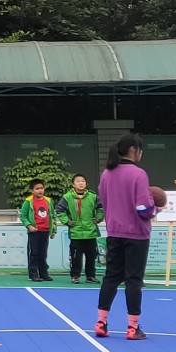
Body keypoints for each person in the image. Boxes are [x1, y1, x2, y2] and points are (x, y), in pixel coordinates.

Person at [95, 135, 160, 339]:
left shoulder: (106, 173)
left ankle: (101, 322)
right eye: (141, 150)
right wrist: (157, 208)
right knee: (133, 280)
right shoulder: (138, 174)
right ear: (133, 150)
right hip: (137, 235)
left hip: (114, 232)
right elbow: (143, 208)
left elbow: (103, 202)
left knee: (111, 277)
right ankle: (132, 327)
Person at [56, 174, 102, 284]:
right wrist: (67, 221)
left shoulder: (93, 196)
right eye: (78, 181)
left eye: (83, 181)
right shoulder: (67, 197)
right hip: (75, 232)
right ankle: (75, 276)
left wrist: (98, 218)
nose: (81, 183)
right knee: (75, 256)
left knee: (91, 256)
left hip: (90, 232)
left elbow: (101, 207)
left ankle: (90, 276)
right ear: (73, 184)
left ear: (86, 183)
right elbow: (60, 210)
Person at [19, 179, 55, 283]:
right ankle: (33, 274)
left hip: (45, 231)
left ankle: (43, 273)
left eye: (41, 188)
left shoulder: (48, 201)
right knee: (34, 253)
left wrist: (53, 230)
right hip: (34, 232)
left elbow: (52, 215)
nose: (40, 190)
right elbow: (23, 216)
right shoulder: (28, 201)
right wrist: (29, 226)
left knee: (43, 254)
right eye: (37, 188)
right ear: (32, 190)